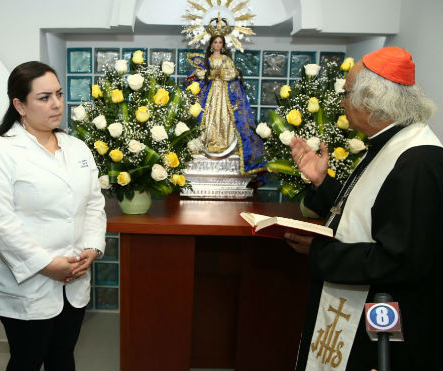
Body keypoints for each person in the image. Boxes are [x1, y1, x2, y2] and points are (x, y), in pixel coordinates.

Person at [285, 47, 442, 370]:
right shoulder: (389, 144)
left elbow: (401, 259)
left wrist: (319, 251)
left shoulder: (418, 160)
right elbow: (366, 217)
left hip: (385, 318)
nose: (342, 102)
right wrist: (321, 182)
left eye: (346, 93)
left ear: (370, 100)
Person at [0, 61, 106, 371]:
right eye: (44, 97)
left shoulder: (77, 148)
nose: (57, 103)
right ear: (19, 104)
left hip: (73, 278)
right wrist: (46, 265)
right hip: (27, 284)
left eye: (59, 94)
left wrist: (91, 247)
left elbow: (93, 204)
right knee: (27, 360)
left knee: (63, 357)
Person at [187, 33, 266, 175]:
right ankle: (210, 142)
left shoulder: (226, 59)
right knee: (210, 117)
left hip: (225, 94)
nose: (217, 45)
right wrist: (211, 74)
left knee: (226, 117)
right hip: (211, 94)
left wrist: (221, 72)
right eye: (215, 42)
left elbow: (233, 73)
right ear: (211, 44)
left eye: (220, 42)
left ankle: (225, 142)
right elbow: (200, 74)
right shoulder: (208, 60)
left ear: (222, 45)